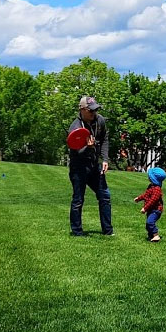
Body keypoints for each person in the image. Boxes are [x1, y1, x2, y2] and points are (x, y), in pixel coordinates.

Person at [68, 96, 113, 236]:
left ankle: (108, 231)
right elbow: (76, 152)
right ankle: (77, 232)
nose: (94, 113)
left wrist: (105, 159)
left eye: (96, 110)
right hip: (79, 167)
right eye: (91, 111)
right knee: (78, 199)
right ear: (82, 110)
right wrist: (88, 148)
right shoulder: (75, 128)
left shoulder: (100, 121)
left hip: (94, 166)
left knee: (105, 196)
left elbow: (104, 138)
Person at [135, 167, 165, 242]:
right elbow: (146, 195)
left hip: (156, 210)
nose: (148, 177)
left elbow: (153, 200)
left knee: (150, 222)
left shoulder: (156, 189)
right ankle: (151, 236)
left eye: (149, 176)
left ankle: (156, 235)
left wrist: (145, 208)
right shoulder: (151, 186)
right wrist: (139, 198)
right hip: (151, 209)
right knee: (148, 224)